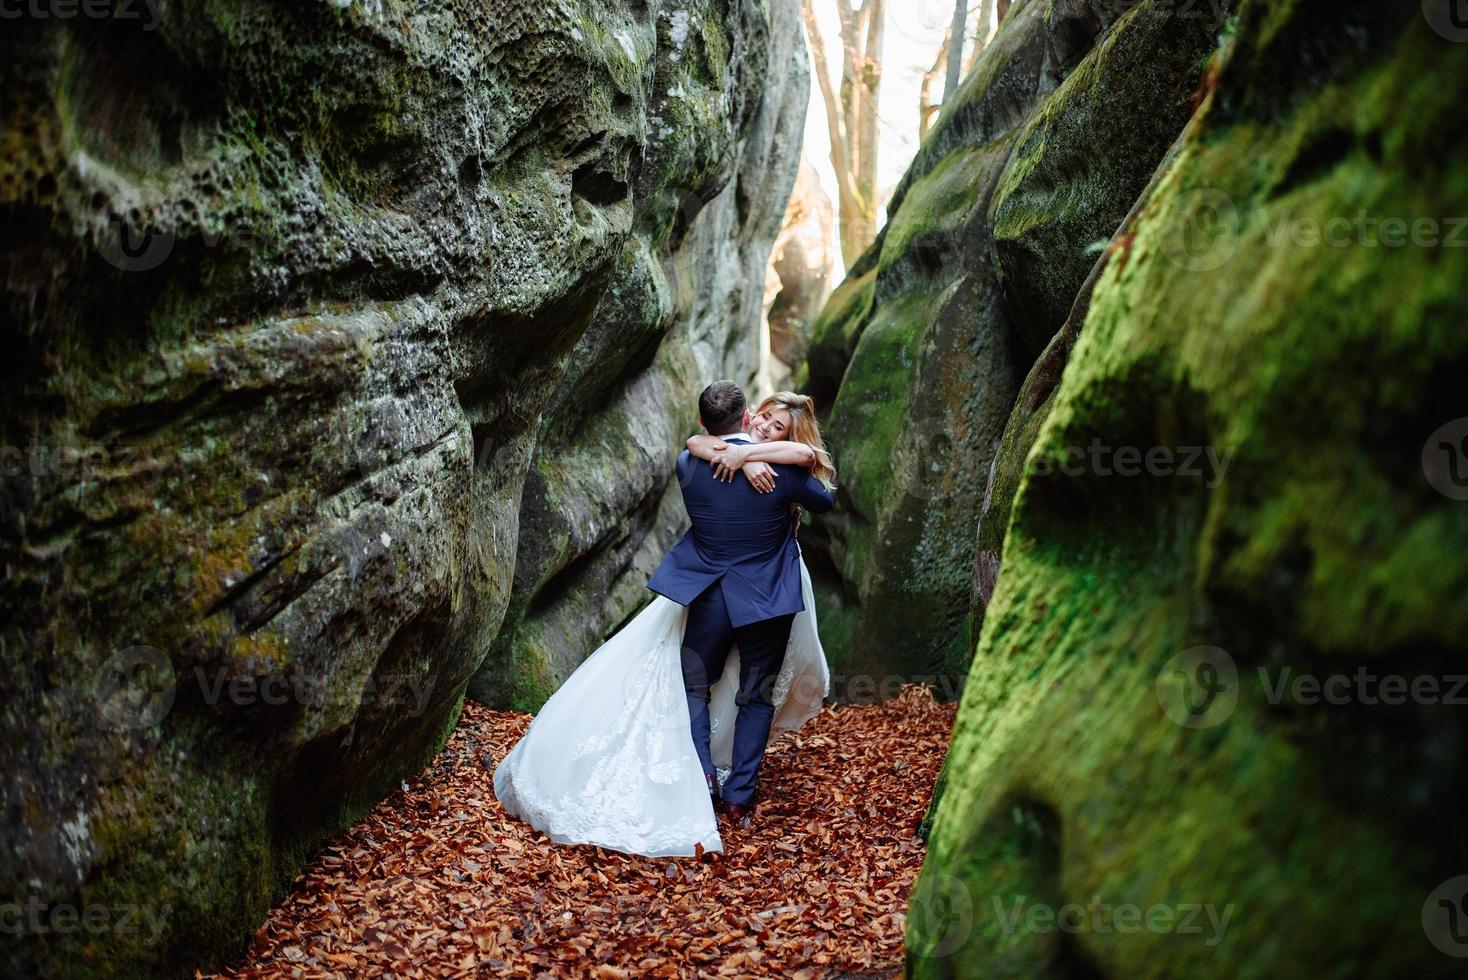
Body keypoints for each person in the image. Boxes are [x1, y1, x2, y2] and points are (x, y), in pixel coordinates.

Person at [492, 382, 836, 856]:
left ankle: (701, 780)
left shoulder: (687, 462)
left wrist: (746, 453)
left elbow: (702, 447)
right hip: (766, 601)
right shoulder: (783, 476)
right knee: (755, 694)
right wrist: (765, 458)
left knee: (694, 685)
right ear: (746, 418)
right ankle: (738, 799)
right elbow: (824, 500)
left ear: (703, 424)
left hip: (708, 595)